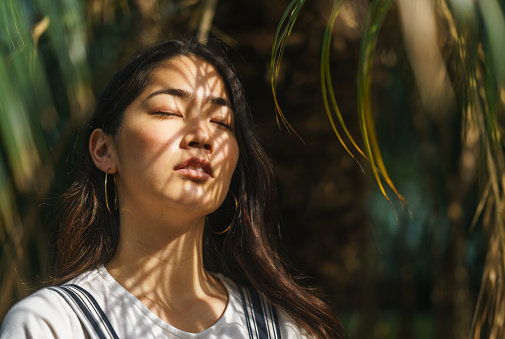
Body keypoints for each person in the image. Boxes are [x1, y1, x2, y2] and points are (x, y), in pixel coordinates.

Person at [0, 37, 343, 338]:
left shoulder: (285, 329)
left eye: (222, 122)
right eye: (168, 111)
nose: (203, 135)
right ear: (105, 150)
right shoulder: (55, 325)